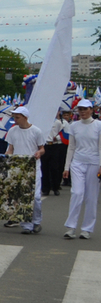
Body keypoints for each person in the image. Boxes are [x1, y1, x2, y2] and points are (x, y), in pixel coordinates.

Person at [63, 99, 100, 240]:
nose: (83, 112)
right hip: (78, 163)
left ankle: (87, 229)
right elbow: (71, 147)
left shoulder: (98, 125)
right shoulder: (74, 126)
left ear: (91, 110)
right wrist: (66, 167)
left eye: (85, 109)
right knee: (77, 193)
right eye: (80, 109)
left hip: (94, 163)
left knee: (91, 197)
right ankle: (71, 227)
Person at [3, 107, 44, 234]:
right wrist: (7, 157)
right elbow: (10, 148)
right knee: (22, 197)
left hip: (33, 167)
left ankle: (36, 221)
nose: (15, 120)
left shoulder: (36, 131)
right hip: (18, 168)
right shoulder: (12, 131)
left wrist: (38, 153)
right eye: (14, 117)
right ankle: (26, 225)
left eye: (17, 117)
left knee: (36, 197)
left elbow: (42, 148)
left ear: (25, 117)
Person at [42, 108, 69, 196]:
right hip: (45, 145)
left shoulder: (57, 122)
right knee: (44, 167)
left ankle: (55, 187)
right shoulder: (43, 122)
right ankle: (46, 188)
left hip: (55, 145)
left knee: (55, 168)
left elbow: (62, 133)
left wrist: (56, 138)